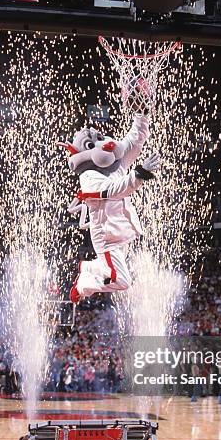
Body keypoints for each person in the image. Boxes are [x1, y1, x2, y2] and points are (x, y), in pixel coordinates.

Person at [61, 115, 160, 302]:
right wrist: (139, 174)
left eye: (99, 138)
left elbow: (135, 140)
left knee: (116, 273)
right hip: (107, 238)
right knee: (122, 281)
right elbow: (113, 191)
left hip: (122, 232)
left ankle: (91, 267)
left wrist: (141, 114)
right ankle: (84, 284)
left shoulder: (116, 165)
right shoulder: (88, 176)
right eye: (91, 144)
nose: (102, 144)